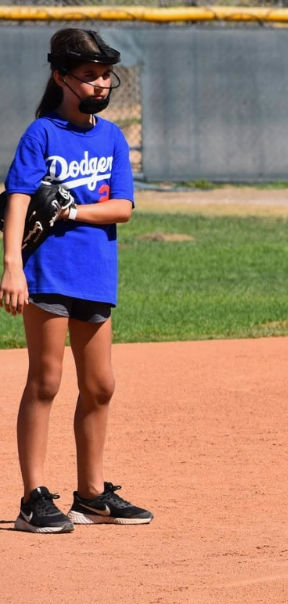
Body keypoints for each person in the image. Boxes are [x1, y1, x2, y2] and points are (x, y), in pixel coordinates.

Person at [2, 28, 151, 534]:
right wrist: (12, 266)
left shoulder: (111, 138)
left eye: (105, 76)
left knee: (101, 385)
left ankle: (90, 494)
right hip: (45, 272)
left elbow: (123, 208)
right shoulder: (41, 134)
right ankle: (33, 497)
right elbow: (17, 200)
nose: (101, 85)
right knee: (45, 381)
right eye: (88, 77)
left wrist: (72, 209)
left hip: (94, 273)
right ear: (60, 77)